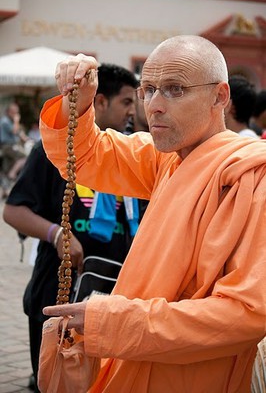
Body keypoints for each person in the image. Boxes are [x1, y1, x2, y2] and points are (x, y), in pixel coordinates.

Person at [40, 36, 266, 393]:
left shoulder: (253, 175)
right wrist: (80, 104)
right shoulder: (167, 157)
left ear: (220, 97)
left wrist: (113, 323)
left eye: (175, 89)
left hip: (194, 377)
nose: (154, 106)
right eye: (148, 89)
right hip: (130, 358)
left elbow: (247, 315)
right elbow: (86, 156)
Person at [3, 63, 141, 392]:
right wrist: (57, 234)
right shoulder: (54, 150)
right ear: (100, 101)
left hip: (113, 298)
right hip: (60, 290)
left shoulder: (133, 153)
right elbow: (13, 210)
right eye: (125, 102)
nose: (132, 112)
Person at [0, 102, 27, 197]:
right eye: (15, 112)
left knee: (6, 169)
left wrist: (24, 137)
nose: (16, 114)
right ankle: (13, 173)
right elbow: (15, 131)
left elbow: (19, 133)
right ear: (9, 112)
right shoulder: (5, 121)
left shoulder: (10, 121)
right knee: (24, 157)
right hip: (8, 146)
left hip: (11, 146)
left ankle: (4, 192)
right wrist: (16, 120)